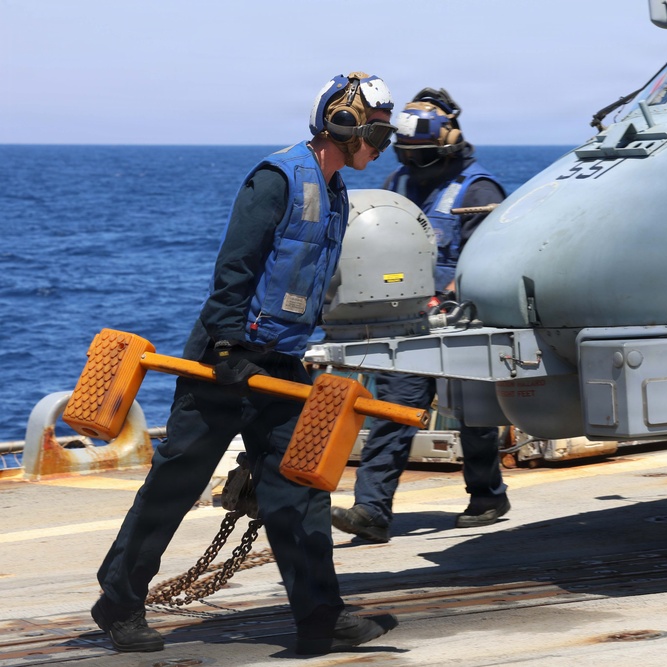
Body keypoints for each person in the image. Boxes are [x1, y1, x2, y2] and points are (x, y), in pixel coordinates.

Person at [91, 72, 400, 655]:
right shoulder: (275, 179)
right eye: (377, 134)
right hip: (226, 357)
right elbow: (234, 269)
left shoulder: (335, 194)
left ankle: (319, 617)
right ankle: (119, 601)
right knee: (175, 484)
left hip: (280, 362)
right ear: (343, 124)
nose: (381, 147)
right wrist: (230, 347)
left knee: (298, 489)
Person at [331, 88, 510, 544]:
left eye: (422, 155)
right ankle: (371, 510)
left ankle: (487, 495)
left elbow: (487, 257)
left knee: (474, 414)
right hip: (407, 319)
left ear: (447, 143)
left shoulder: (479, 189)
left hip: (460, 317)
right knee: (394, 409)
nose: (413, 164)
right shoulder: (397, 184)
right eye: (406, 154)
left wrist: (447, 295)